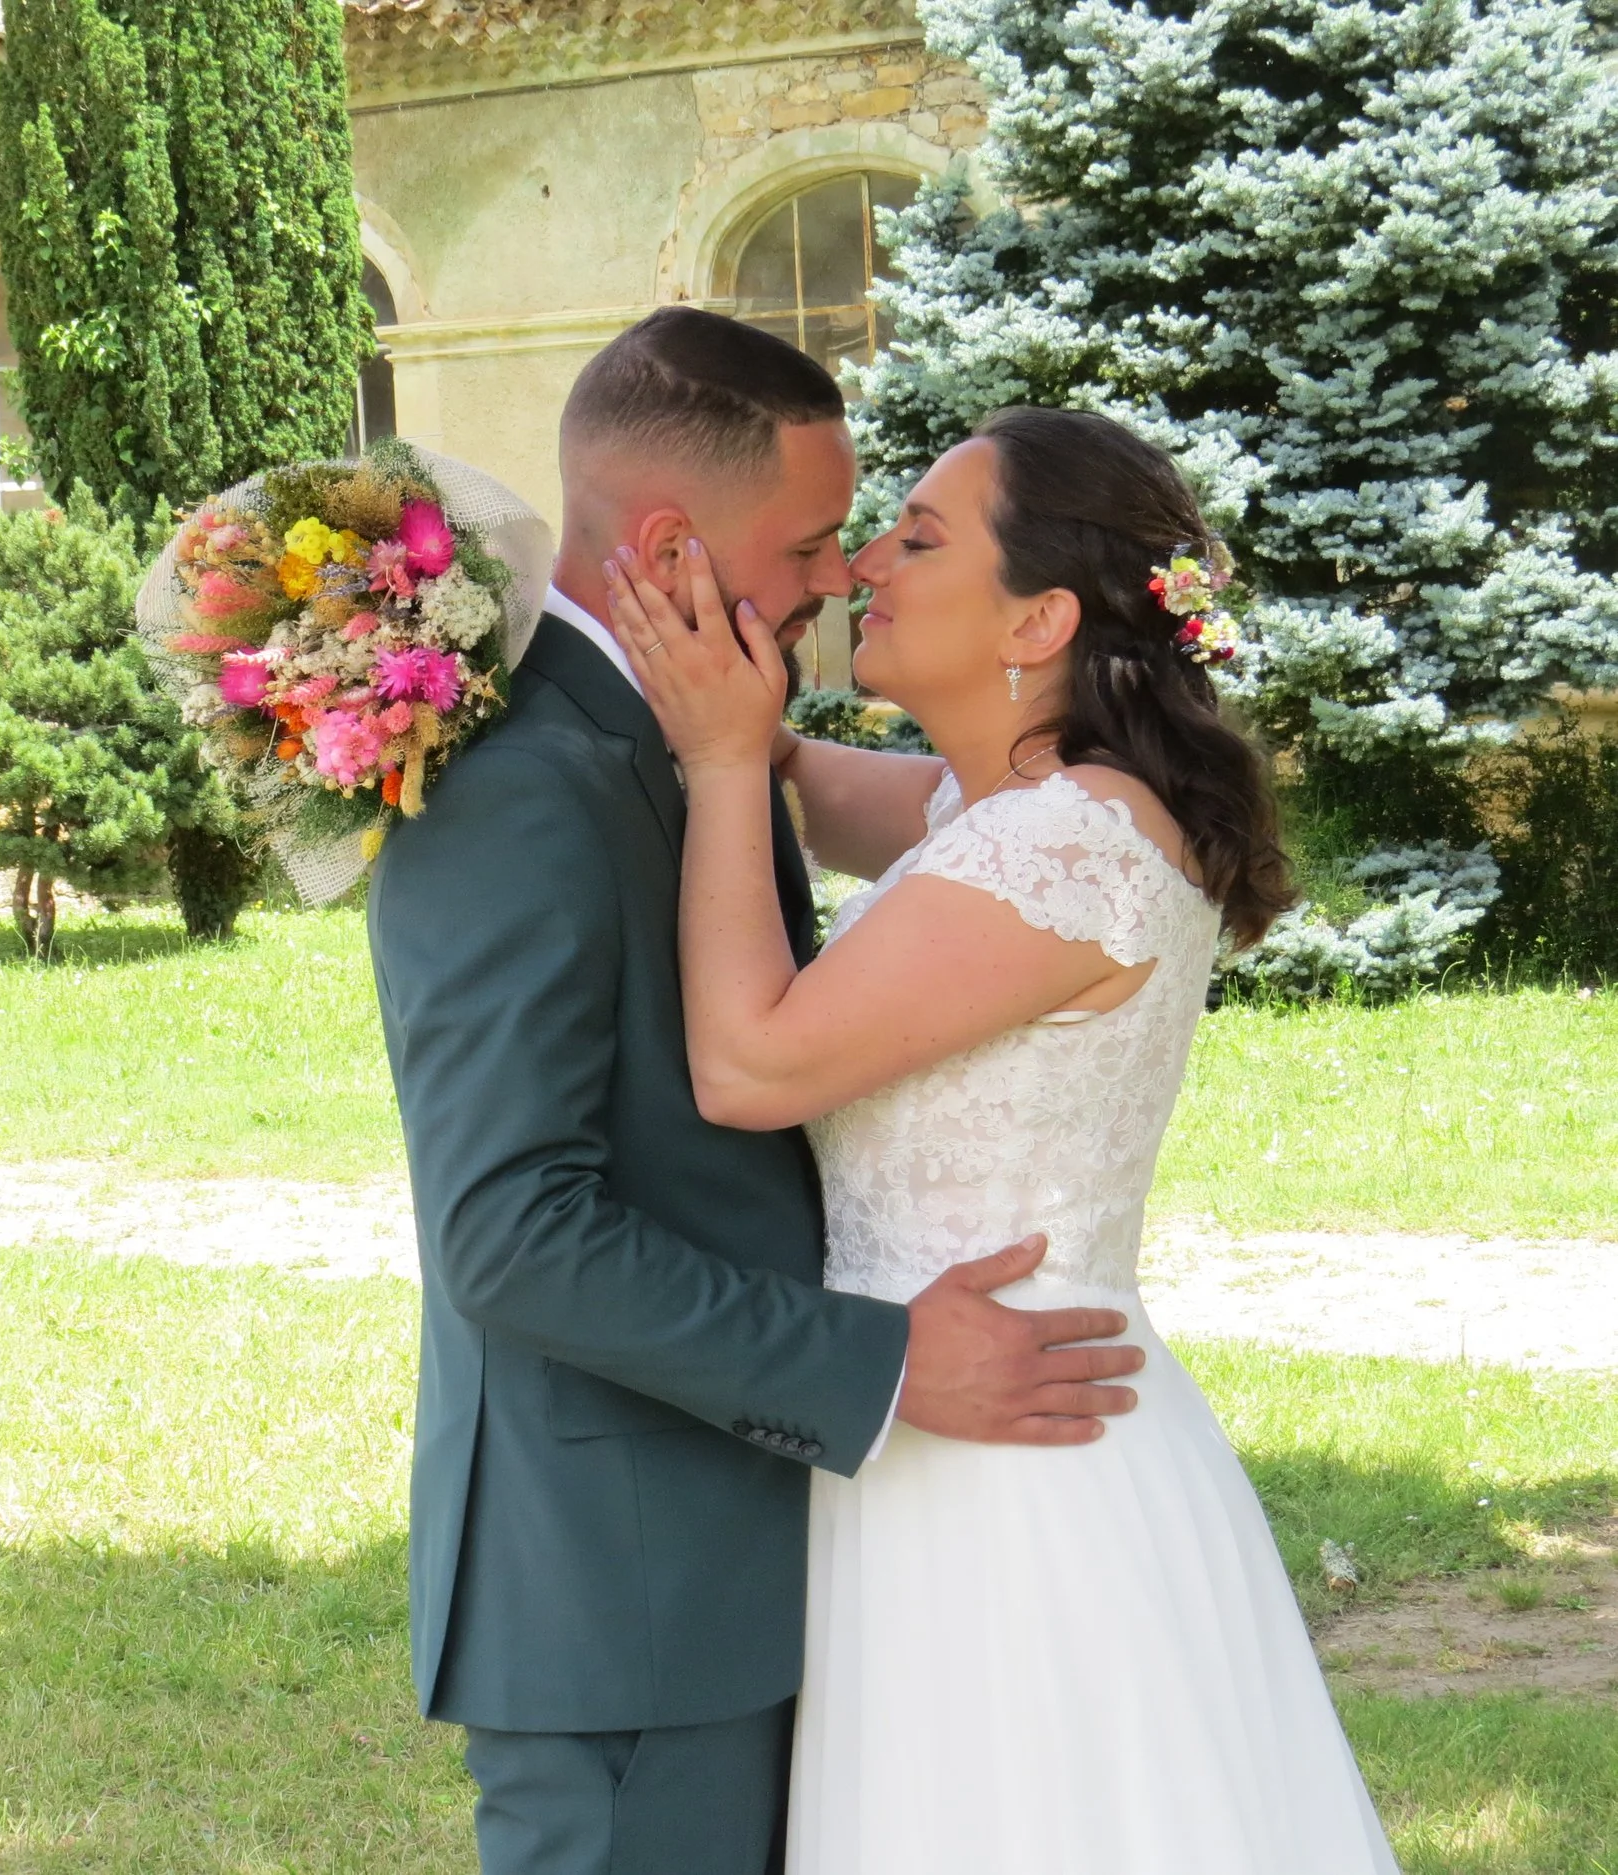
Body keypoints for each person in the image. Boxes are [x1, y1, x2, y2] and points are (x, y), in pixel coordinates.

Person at [366, 306, 1152, 1875]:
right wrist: (878, 1365)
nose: (838, 575)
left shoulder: (692, 735)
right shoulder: (519, 785)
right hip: (628, 1595)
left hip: (767, 1551)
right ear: (671, 546)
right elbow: (510, 1234)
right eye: (807, 542)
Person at [597, 403, 1399, 1872]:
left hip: (1010, 1462)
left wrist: (717, 764)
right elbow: (833, 791)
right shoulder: (1009, 806)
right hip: (966, 1414)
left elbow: (751, 1065)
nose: (863, 569)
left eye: (916, 541)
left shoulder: (1066, 844)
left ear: (1037, 619)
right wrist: (739, 716)